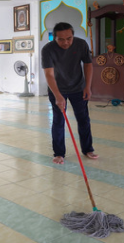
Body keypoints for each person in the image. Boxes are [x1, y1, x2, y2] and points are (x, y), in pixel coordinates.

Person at [41, 22, 98, 164]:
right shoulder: (48, 49)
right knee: (59, 121)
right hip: (57, 89)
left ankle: (88, 149)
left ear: (73, 36)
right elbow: (49, 74)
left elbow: (88, 64)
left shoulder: (81, 44)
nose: (66, 42)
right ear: (54, 38)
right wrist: (58, 96)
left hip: (78, 88)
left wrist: (87, 86)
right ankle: (59, 153)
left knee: (84, 119)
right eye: (61, 39)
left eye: (69, 38)